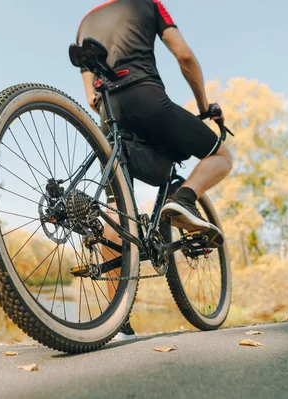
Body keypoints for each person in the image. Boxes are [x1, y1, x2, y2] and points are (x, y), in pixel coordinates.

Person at [76, 0, 233, 340]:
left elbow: (90, 95)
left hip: (109, 111)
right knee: (221, 155)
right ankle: (185, 198)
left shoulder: (86, 21)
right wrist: (205, 106)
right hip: (145, 97)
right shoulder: (149, 4)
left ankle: (117, 320)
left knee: (118, 205)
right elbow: (185, 56)